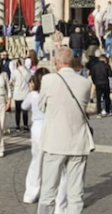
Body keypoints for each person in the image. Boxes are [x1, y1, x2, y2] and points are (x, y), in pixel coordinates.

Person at [37, 47, 94, 214]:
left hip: (55, 141)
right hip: (78, 142)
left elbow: (42, 106)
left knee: (48, 192)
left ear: (55, 62)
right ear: (72, 62)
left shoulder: (48, 80)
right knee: (76, 194)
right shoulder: (85, 83)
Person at [23, 68, 69, 209]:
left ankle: (31, 193)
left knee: (37, 160)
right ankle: (55, 194)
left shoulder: (33, 95)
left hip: (37, 127)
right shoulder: (54, 94)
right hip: (51, 126)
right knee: (55, 162)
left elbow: (24, 106)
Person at [87, 49, 112, 118]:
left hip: (98, 83)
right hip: (105, 82)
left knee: (98, 98)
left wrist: (94, 81)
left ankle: (99, 112)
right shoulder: (106, 66)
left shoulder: (94, 66)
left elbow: (92, 75)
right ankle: (107, 110)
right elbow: (110, 75)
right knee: (106, 97)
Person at [11, 57, 34, 132]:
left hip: (17, 93)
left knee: (17, 111)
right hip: (25, 93)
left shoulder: (15, 71)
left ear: (18, 64)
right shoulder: (28, 72)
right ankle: (25, 125)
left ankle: (17, 126)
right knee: (25, 110)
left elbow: (11, 81)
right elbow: (30, 80)